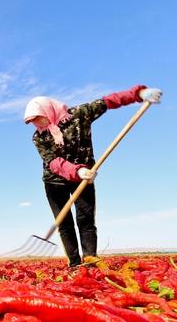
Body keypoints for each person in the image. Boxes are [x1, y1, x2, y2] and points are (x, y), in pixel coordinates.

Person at [24, 85, 162, 267]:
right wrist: (77, 170)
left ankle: (90, 261)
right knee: (64, 224)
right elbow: (52, 162)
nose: (38, 124)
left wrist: (138, 94)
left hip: (84, 178)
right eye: (33, 121)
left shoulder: (80, 114)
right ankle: (74, 264)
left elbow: (108, 102)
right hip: (55, 182)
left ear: (48, 110)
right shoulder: (39, 137)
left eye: (38, 118)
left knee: (85, 219)